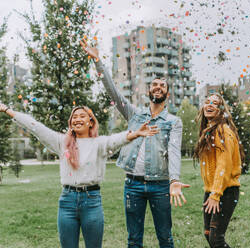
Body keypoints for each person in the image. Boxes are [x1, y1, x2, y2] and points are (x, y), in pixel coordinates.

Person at [0, 104, 158, 248]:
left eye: (82, 116)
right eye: (74, 117)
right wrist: (7, 110)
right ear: (70, 123)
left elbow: (117, 140)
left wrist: (136, 134)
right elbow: (35, 127)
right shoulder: (61, 142)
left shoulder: (99, 144)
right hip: (67, 202)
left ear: (91, 121)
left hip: (92, 202)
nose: (77, 119)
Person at [81, 40, 190, 248]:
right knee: (133, 238)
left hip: (160, 185)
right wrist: (98, 62)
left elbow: (174, 151)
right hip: (133, 184)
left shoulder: (173, 122)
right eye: (155, 85)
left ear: (167, 94)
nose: (158, 88)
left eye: (162, 86)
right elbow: (113, 92)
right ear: (149, 91)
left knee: (165, 237)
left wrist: (174, 179)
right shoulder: (134, 114)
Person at [194, 93, 244, 248]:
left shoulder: (223, 131)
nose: (210, 105)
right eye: (207, 102)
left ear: (221, 110)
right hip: (211, 191)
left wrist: (216, 194)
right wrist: (211, 192)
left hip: (225, 191)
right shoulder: (208, 131)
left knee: (216, 239)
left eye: (215, 103)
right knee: (209, 234)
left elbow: (224, 165)